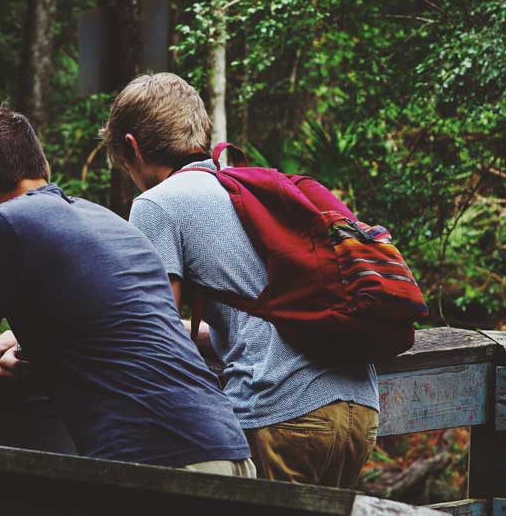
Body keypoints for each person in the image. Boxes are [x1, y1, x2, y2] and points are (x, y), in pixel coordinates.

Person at [0, 105, 254, 475]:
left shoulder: (0, 223)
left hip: (157, 458)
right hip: (228, 446)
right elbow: (120, 334)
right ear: (43, 169)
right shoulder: (110, 222)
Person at [100, 73, 380, 486]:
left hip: (282, 411)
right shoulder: (247, 189)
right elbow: (253, 320)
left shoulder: (156, 204)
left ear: (132, 147)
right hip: (359, 408)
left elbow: (152, 334)